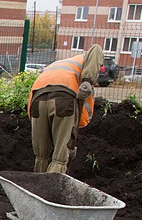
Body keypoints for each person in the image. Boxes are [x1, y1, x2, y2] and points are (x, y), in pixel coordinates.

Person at [27, 44, 103, 174]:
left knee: (42, 156)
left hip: (37, 102)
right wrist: (88, 80)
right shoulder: (84, 60)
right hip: (64, 97)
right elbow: (96, 48)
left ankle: (37, 188)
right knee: (59, 158)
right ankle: (52, 190)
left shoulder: (57, 65)